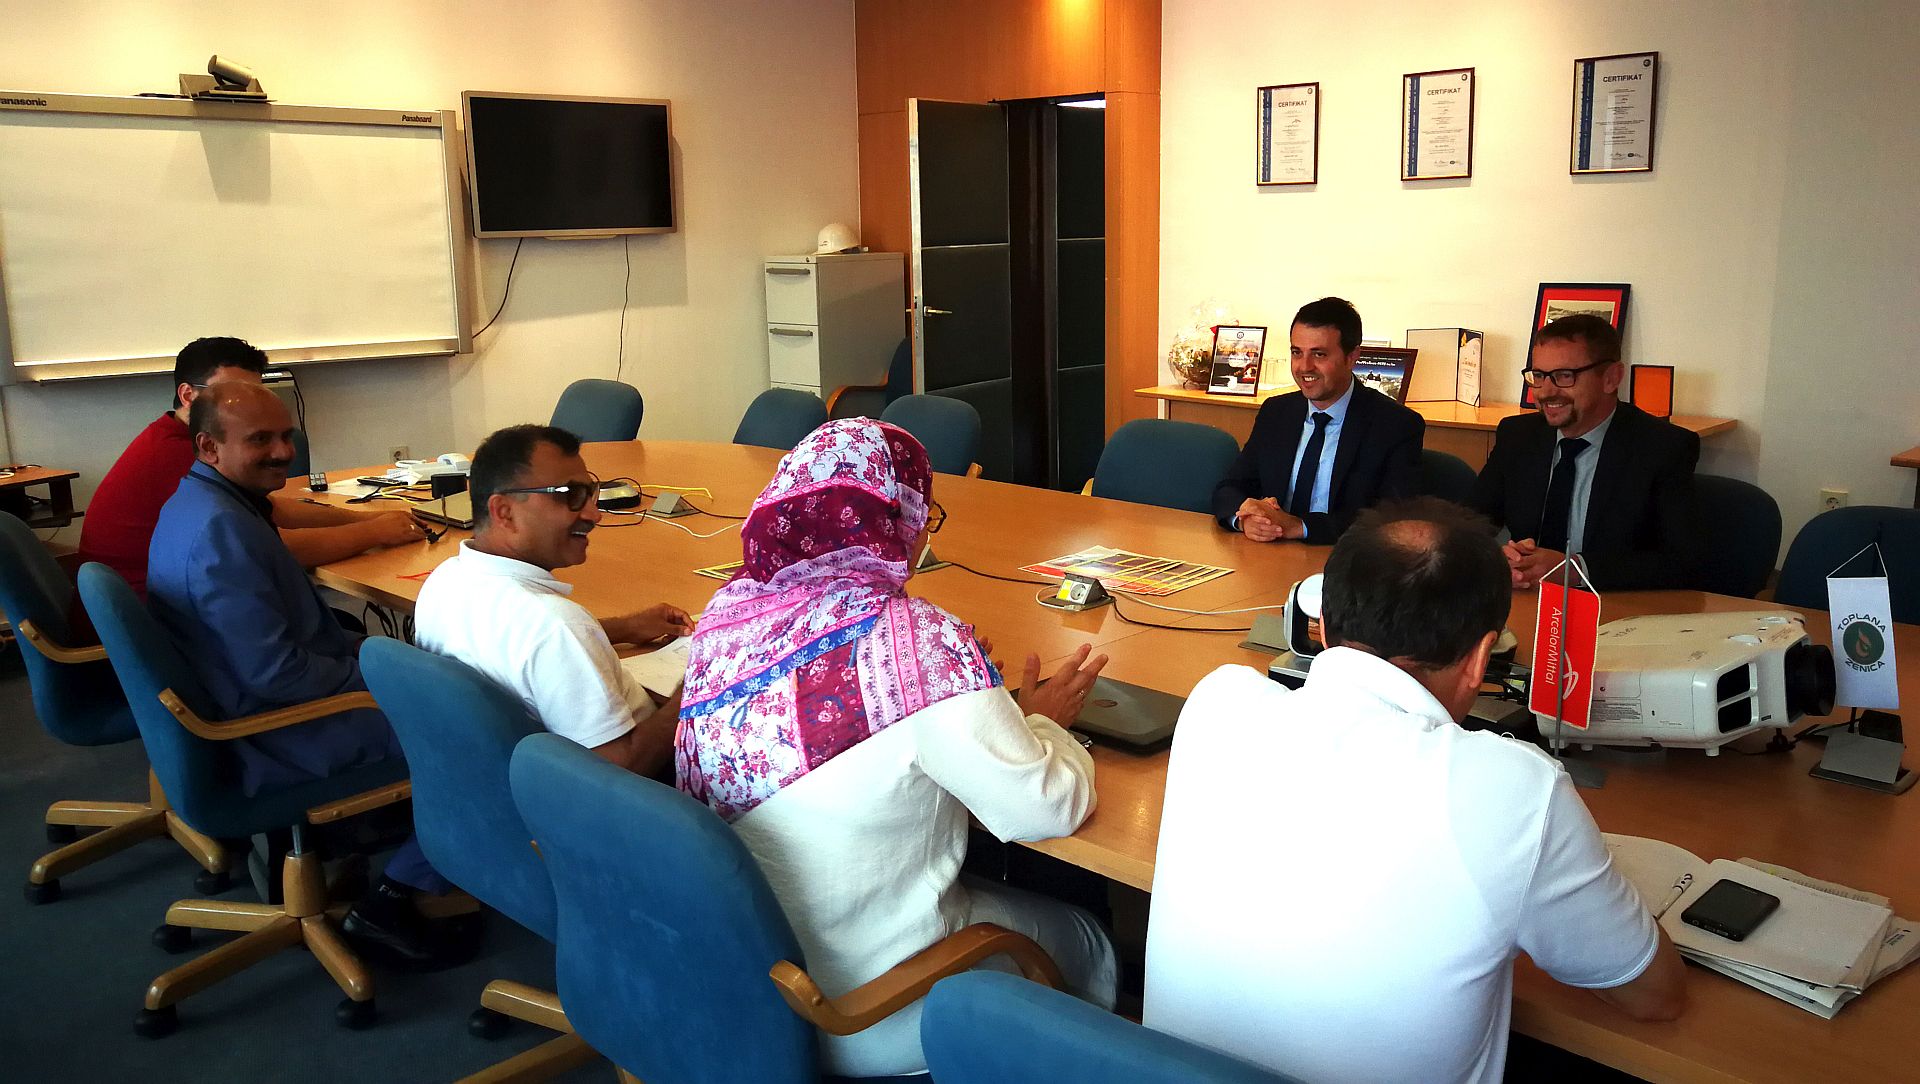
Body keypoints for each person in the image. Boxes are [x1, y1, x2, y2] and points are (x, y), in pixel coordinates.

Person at [1144, 498, 1686, 1084]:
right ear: (1481, 658)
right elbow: (1653, 995)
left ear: (1322, 625)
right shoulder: (1514, 789)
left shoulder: (1219, 702)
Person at [674, 418, 1118, 1078]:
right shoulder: (918, 641)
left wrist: (974, 695)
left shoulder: (727, 614)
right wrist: (1043, 725)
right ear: (898, 520)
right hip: (868, 1012)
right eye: (926, 514)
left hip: (743, 986)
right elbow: (1047, 808)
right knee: (1090, 935)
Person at [145, 383, 462, 969]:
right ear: (209, 446)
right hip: (272, 730)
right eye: (260, 440)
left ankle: (388, 831)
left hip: (233, 701)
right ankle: (395, 897)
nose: (283, 452)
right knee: (475, 726)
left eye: (286, 436)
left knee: (423, 671)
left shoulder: (199, 501)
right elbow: (280, 675)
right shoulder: (222, 533)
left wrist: (381, 655)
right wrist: (391, 678)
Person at [414, 424, 691, 775]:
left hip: (493, 784)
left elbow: (519, 645)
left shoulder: (444, 581)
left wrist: (624, 627)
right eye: (569, 495)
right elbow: (617, 775)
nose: (594, 514)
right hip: (648, 786)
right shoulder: (555, 627)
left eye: (589, 493)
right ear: (504, 512)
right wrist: (691, 693)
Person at [76, 336, 426, 602]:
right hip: (158, 622)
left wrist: (369, 519)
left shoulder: (182, 437)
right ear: (188, 396)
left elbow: (271, 510)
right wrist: (374, 533)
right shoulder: (182, 453)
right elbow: (273, 548)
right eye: (230, 394)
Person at [1468, 314, 1699, 591]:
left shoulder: (1663, 447)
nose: (1545, 392)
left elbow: (1682, 562)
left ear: (1611, 378)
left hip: (1613, 602)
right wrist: (1499, 557)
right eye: (1539, 376)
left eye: (1565, 376)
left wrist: (1575, 569)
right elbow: (1470, 524)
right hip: (1528, 596)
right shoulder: (1518, 435)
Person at [1211, 297, 1424, 544]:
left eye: (1319, 354)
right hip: (1269, 553)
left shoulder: (1396, 425)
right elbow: (1230, 487)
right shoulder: (1276, 412)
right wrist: (1246, 518)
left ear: (1352, 356)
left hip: (1344, 556)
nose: (1304, 367)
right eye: (1296, 352)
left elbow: (1392, 520)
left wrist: (1300, 526)